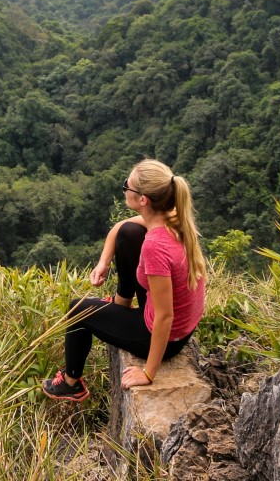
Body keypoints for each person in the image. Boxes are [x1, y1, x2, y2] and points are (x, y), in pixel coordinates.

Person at [42, 158, 208, 402]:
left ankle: (71, 383)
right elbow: (121, 228)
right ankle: (121, 305)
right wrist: (103, 262)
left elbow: (165, 316)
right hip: (181, 326)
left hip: (165, 337)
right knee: (129, 234)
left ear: (143, 200)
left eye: (126, 187)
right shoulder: (172, 217)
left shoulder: (155, 245)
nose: (124, 191)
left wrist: (148, 373)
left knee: (77, 310)